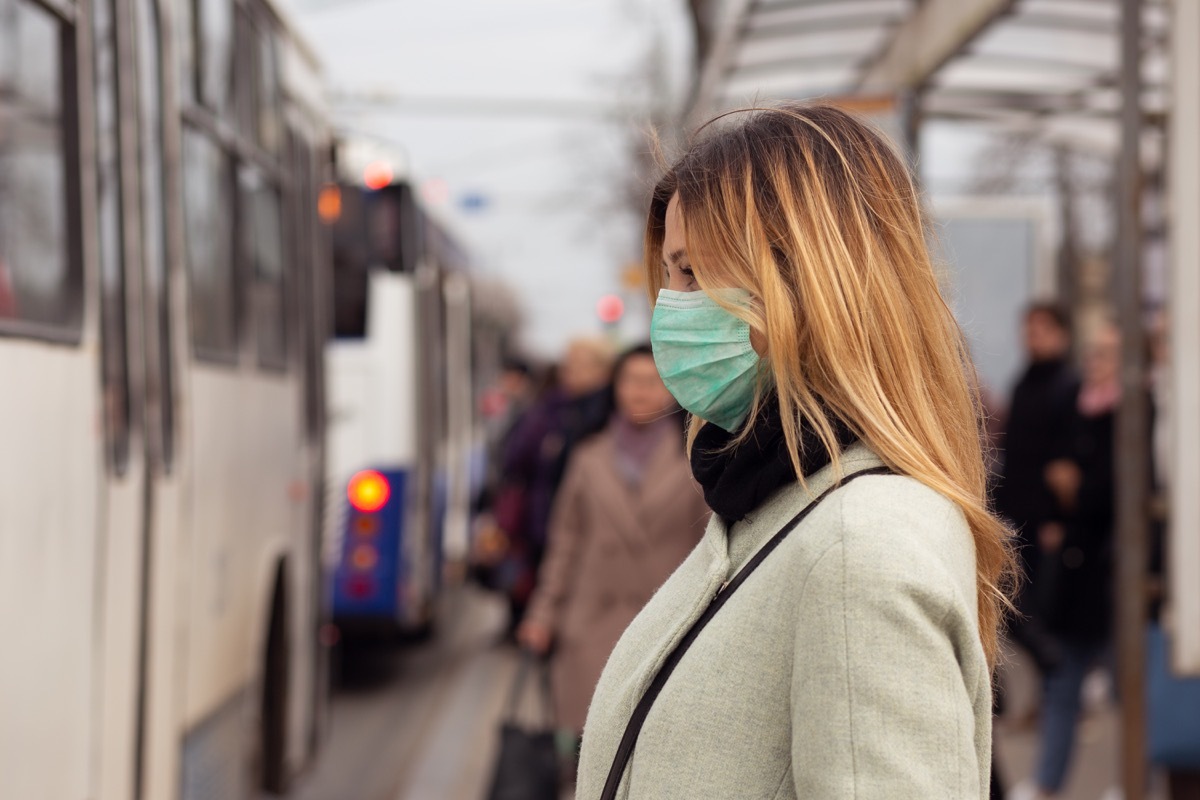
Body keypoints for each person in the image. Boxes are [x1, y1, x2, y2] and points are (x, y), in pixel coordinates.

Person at [575, 102, 1017, 799]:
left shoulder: (857, 546)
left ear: (805, 283)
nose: (670, 305)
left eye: (693, 273)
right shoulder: (772, 507)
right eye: (670, 272)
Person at [517, 344, 708, 749]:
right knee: (589, 754)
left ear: (672, 388)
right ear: (615, 387)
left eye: (652, 381)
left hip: (664, 624)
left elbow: (712, 545)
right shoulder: (588, 456)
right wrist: (542, 614)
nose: (640, 392)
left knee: (653, 750)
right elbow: (564, 543)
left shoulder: (695, 458)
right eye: (630, 381)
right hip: (590, 621)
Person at [1023, 322, 1120, 799]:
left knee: (1127, 688)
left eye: (1107, 355)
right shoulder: (1074, 404)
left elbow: (1108, 492)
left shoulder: (1129, 413)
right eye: (1094, 353)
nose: (1096, 363)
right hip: (1076, 572)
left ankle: (1129, 780)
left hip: (1114, 575)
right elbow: (1050, 471)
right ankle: (1046, 782)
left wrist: (1076, 490)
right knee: (1063, 682)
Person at [493, 337, 615, 633]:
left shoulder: (604, 415)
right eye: (567, 364)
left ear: (603, 371)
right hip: (546, 523)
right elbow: (515, 458)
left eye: (578, 365)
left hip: (591, 530)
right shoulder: (552, 408)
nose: (568, 372)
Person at [994, 301, 1080, 675]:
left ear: (1062, 335)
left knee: (1039, 613)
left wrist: (1057, 518)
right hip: (1016, 516)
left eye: (1042, 329)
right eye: (1029, 329)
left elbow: (1065, 465)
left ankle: (1059, 679)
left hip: (1044, 523)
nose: (1032, 337)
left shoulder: (1067, 386)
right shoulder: (1024, 382)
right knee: (1013, 606)